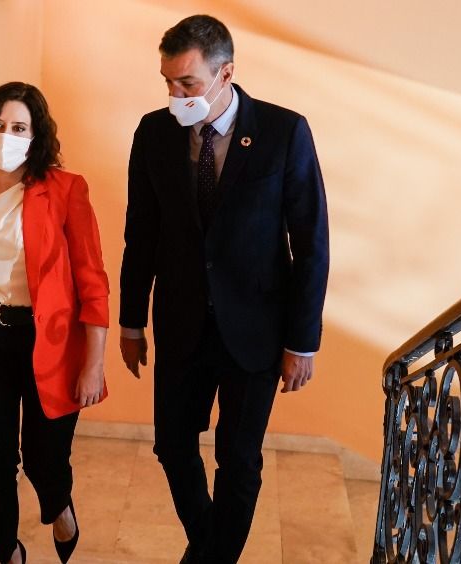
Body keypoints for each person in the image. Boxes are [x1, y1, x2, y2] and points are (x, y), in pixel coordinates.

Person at [119, 15, 329, 564]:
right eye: (167, 82)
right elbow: (139, 231)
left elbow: (311, 243)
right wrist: (130, 320)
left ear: (225, 73)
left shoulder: (284, 131)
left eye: (187, 83)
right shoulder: (153, 132)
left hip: (256, 330)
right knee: (172, 446)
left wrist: (302, 342)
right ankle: (210, 547)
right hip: (181, 320)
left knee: (239, 460)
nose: (175, 94)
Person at [0, 82, 110, 564]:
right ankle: (8, 552)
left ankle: (59, 506)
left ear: (35, 136)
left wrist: (93, 362)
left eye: (18, 127)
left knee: (43, 458)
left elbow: (92, 281)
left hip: (49, 341)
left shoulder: (65, 189)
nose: (6, 135)